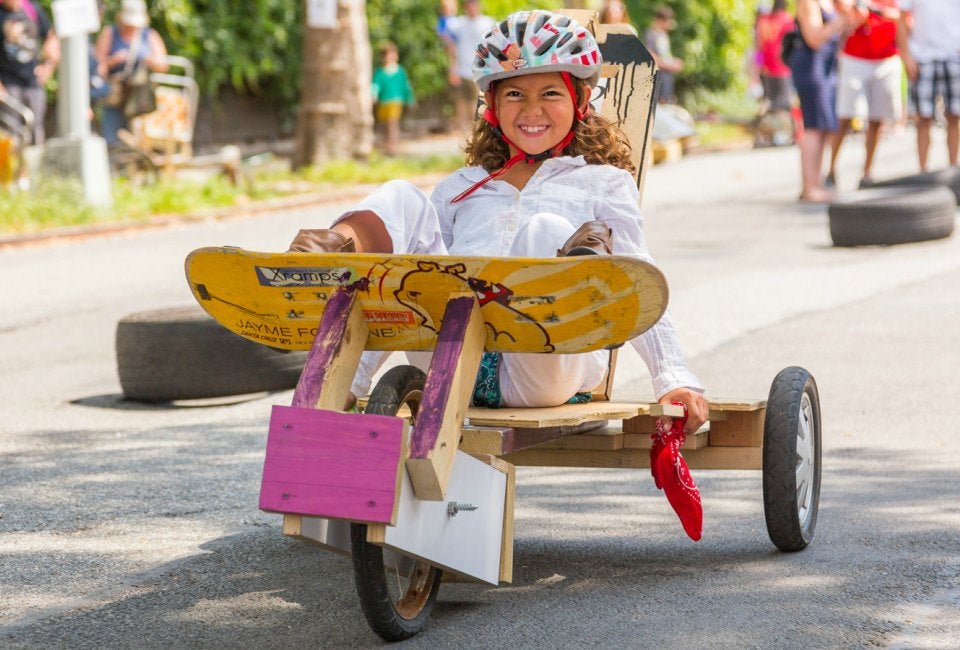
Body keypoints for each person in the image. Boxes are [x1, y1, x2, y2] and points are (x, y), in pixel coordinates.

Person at [287, 10, 709, 434]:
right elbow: (403, 278)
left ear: (580, 100)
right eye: (514, 95)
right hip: (449, 358)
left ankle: (579, 272)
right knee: (402, 196)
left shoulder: (603, 184)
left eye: (550, 93)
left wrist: (673, 378)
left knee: (545, 230)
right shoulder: (461, 187)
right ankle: (324, 267)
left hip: (544, 368)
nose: (532, 109)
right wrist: (352, 380)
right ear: (492, 105)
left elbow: (637, 278)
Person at [826, 0, 902, 188]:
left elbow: (903, 16)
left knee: (877, 118)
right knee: (845, 116)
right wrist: (853, 12)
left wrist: (876, 11)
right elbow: (840, 7)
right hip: (855, 57)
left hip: (886, 57)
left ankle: (867, 173)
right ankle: (831, 169)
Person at [787, 0, 854, 202]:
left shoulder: (831, 3)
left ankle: (816, 182)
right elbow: (814, 38)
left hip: (827, 67)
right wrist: (840, 21)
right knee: (814, 126)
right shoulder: (808, 2)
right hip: (811, 67)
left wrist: (849, 22)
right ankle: (809, 187)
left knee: (823, 126)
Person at [896, 0, 960, 172]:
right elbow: (901, 19)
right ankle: (923, 171)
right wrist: (907, 56)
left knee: (954, 115)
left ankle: (953, 169)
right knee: (923, 117)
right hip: (923, 57)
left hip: (954, 55)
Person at [93, 0, 168, 146]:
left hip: (139, 97)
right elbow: (97, 67)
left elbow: (163, 65)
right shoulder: (110, 33)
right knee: (112, 138)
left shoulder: (149, 35)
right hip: (115, 94)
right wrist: (113, 61)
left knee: (138, 140)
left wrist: (149, 60)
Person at [0, 0, 59, 145]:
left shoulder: (31, 8)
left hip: (33, 81)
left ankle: (35, 158)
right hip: (7, 82)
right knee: (11, 130)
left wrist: (48, 65)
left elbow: (51, 36)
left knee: (35, 128)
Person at [444, 0, 494, 135]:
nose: (471, 6)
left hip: (480, 70)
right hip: (461, 70)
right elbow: (449, 44)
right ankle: (463, 133)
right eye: (468, 3)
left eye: (473, 3)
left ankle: (475, 132)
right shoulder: (457, 24)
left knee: (477, 102)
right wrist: (452, 68)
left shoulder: (488, 23)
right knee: (460, 102)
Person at [371, 41, 415, 156]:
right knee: (384, 125)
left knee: (392, 124)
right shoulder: (380, 72)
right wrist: (373, 95)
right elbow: (375, 85)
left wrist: (410, 99)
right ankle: (386, 146)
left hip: (396, 101)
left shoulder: (400, 71)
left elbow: (406, 86)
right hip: (383, 102)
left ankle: (393, 147)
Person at [755, 0, 795, 114]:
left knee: (769, 101)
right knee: (784, 105)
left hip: (766, 69)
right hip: (783, 68)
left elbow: (758, 46)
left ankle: (767, 119)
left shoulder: (763, 20)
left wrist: (758, 65)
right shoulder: (787, 20)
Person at [644, 4, 684, 104]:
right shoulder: (651, 34)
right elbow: (650, 56)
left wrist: (674, 61)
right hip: (658, 77)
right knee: (658, 105)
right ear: (661, 20)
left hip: (667, 78)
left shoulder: (664, 35)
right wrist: (670, 65)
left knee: (666, 103)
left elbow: (664, 56)